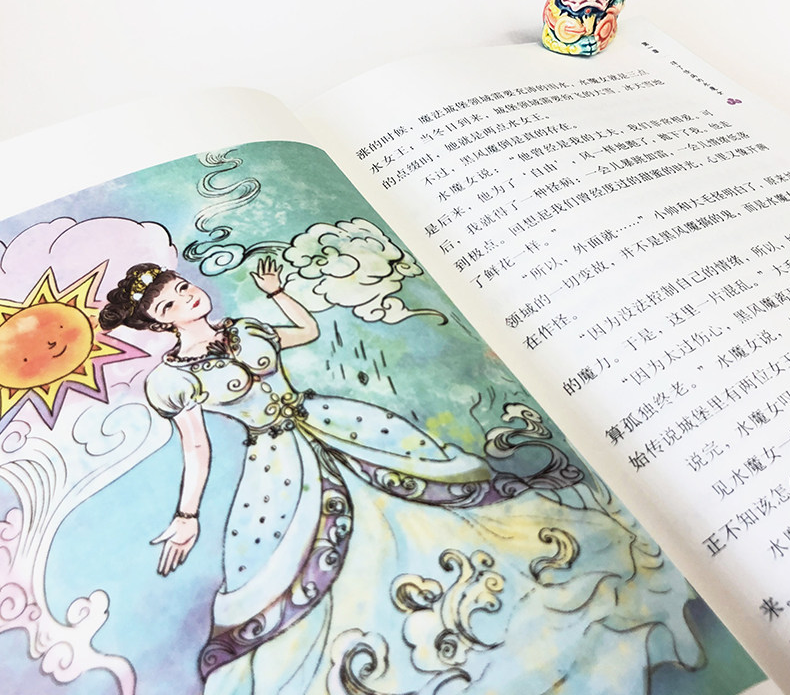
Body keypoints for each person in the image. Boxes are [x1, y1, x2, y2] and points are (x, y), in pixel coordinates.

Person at [99, 259, 700, 694]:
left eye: (181, 287)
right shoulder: (171, 379)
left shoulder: (249, 328)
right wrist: (187, 516)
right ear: (158, 325)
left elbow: (305, 333)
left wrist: (280, 295)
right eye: (168, 305)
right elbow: (196, 446)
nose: (185, 299)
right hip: (276, 463)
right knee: (313, 558)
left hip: (335, 421)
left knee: (432, 500)